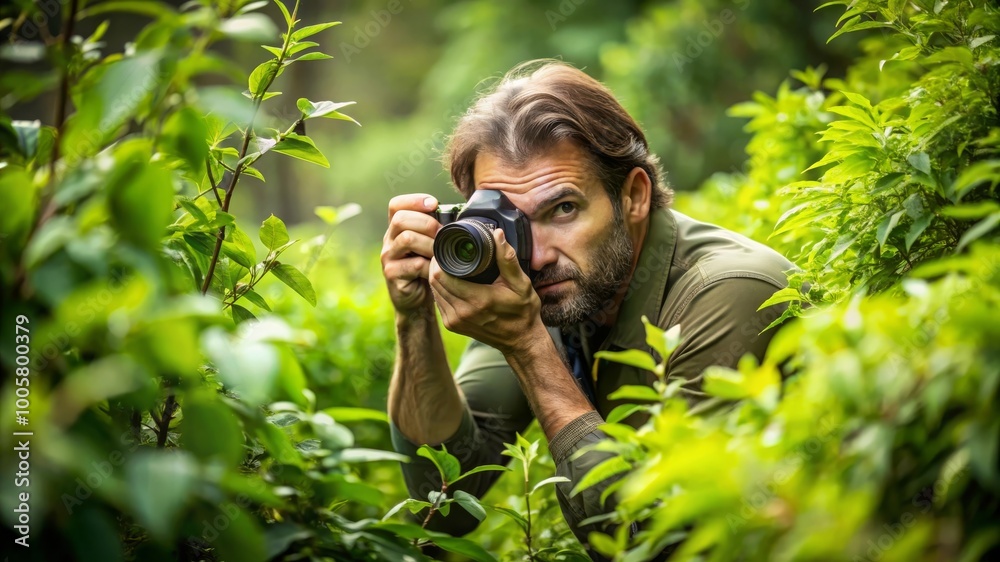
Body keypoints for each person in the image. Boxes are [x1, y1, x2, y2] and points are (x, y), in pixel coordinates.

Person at [380, 60, 793, 558]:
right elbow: (443, 504)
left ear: (634, 196)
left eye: (563, 209)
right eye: (507, 220)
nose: (534, 255)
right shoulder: (542, 285)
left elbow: (660, 544)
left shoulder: (730, 293)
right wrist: (413, 316)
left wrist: (529, 347)